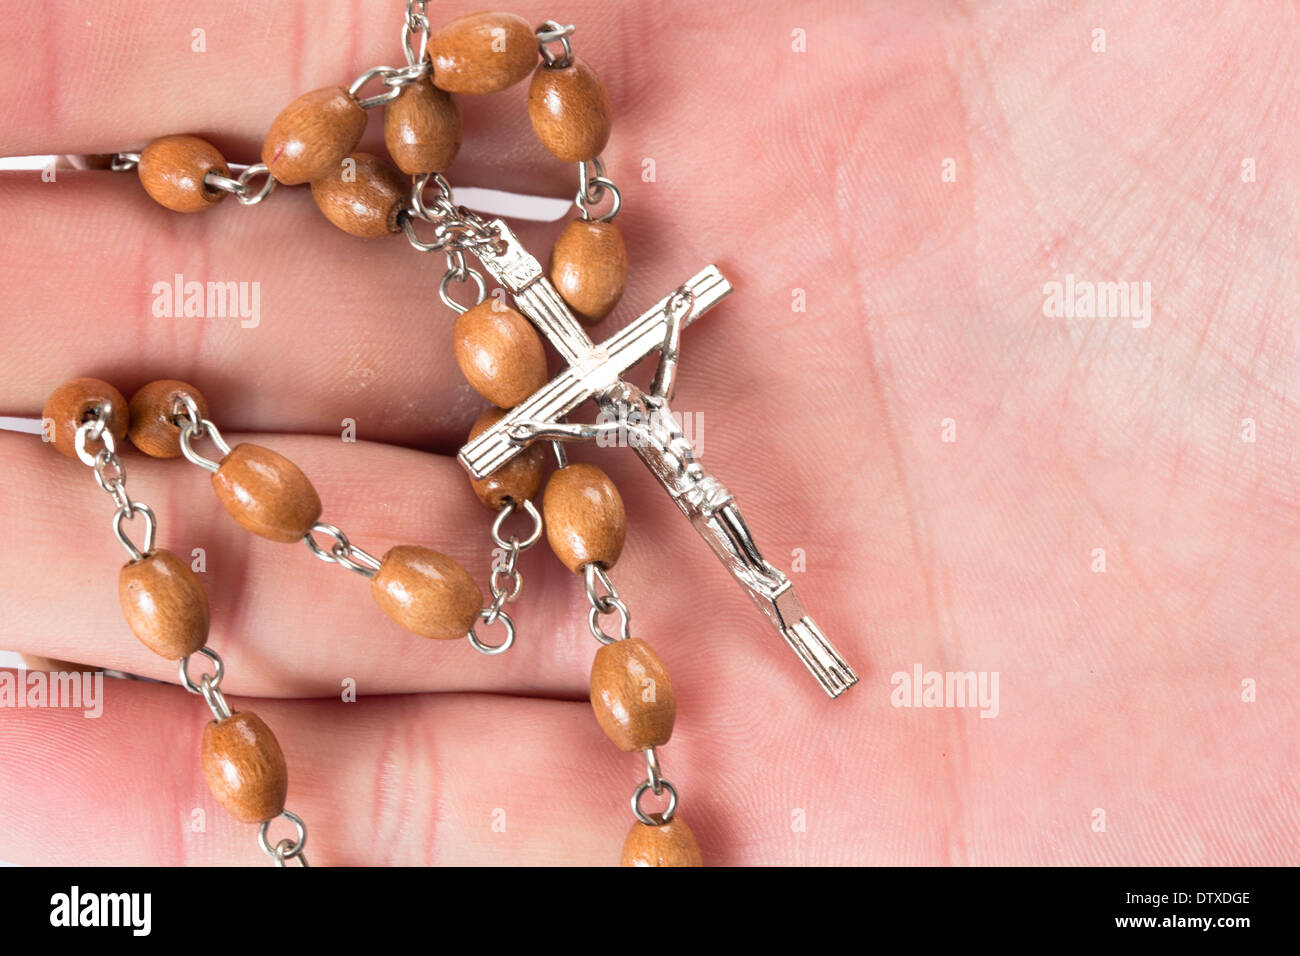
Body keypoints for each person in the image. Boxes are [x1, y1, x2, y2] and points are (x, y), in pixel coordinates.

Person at [0, 0, 1294, 865]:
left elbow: (656, 320)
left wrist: (630, 344)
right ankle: (788, 623)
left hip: (638, 419)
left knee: (728, 530)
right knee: (708, 528)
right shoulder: (558, 377)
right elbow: (547, 401)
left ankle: (794, 628)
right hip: (598, 403)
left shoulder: (609, 342)